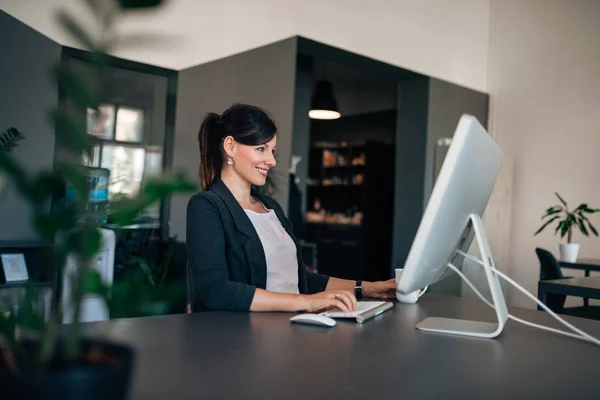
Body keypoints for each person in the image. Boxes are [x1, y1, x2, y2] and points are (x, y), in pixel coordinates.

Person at [186, 103, 396, 313]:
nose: (271, 161)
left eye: (272, 150)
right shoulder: (207, 206)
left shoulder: (270, 207)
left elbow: (300, 279)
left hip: (292, 326)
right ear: (230, 146)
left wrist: (371, 289)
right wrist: (308, 302)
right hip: (246, 337)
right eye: (261, 148)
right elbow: (215, 290)